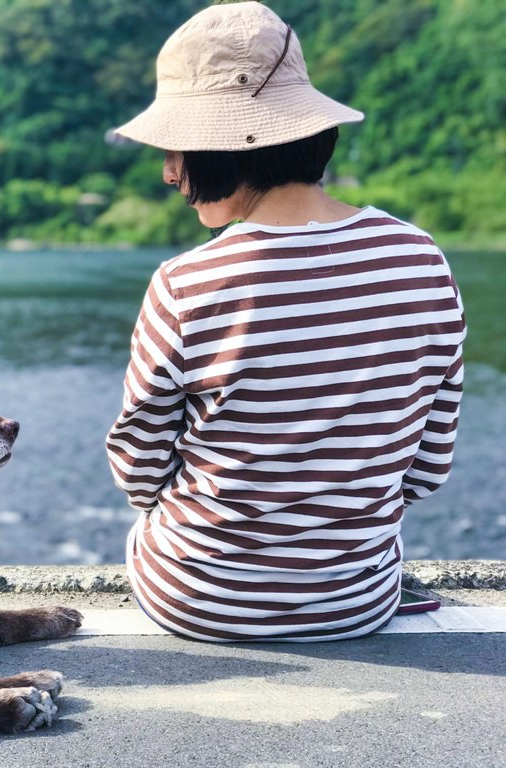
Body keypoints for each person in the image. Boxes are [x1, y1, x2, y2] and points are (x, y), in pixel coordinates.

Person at [105, 2, 466, 642]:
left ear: (225, 145)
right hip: (355, 603)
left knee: (143, 530)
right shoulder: (421, 259)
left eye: (176, 146)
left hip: (199, 600)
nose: (167, 171)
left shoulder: (185, 285)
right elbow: (428, 467)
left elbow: (138, 472)